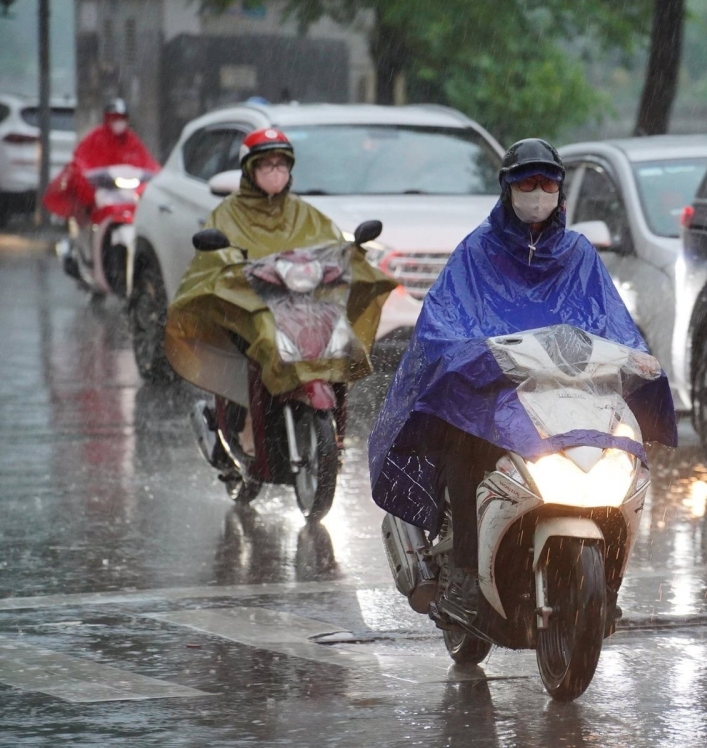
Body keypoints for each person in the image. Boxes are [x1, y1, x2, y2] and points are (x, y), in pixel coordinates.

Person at [368, 138, 677, 623]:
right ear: (508, 188)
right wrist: (468, 358)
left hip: (568, 393)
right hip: (496, 392)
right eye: (527, 183)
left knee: (623, 453)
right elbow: (444, 321)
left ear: (560, 190)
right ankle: (467, 575)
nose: (538, 192)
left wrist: (636, 358)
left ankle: (608, 585)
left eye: (547, 183)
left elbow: (612, 321)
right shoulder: (477, 252)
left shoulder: (577, 254)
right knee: (466, 446)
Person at [165, 127, 393, 480]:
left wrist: (351, 253)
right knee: (267, 345)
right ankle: (243, 432)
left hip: (303, 307)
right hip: (253, 308)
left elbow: (332, 247)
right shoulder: (227, 214)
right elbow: (215, 262)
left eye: (282, 165)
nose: (275, 173)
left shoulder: (305, 213)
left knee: (339, 341)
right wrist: (236, 270)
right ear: (250, 170)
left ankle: (327, 432)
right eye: (267, 165)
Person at [44, 98, 160, 220]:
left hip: (127, 194)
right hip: (100, 191)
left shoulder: (131, 140)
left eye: (121, 118)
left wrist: (158, 176)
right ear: (107, 118)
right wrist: (87, 178)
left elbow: (147, 162)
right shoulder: (96, 138)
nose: (118, 122)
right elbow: (80, 161)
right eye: (114, 118)